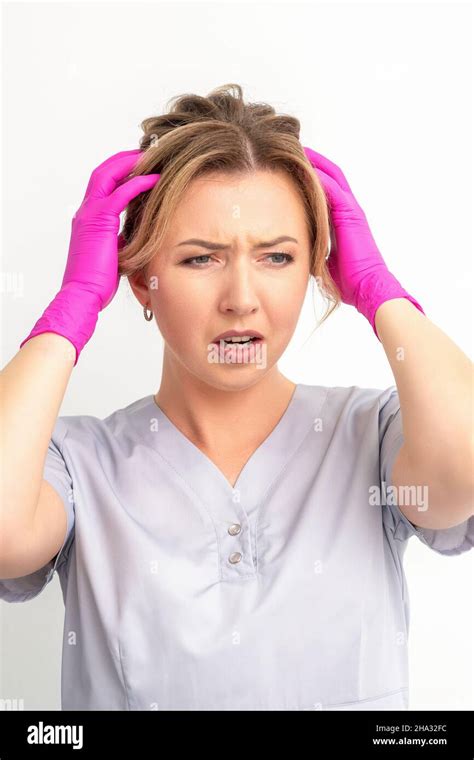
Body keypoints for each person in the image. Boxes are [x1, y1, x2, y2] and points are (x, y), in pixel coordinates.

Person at [0, 84, 472, 711]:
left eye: (278, 257)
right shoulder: (76, 464)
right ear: (143, 279)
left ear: (317, 268)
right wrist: (72, 309)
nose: (242, 298)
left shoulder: (376, 435)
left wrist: (378, 288)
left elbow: (461, 473)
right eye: (200, 259)